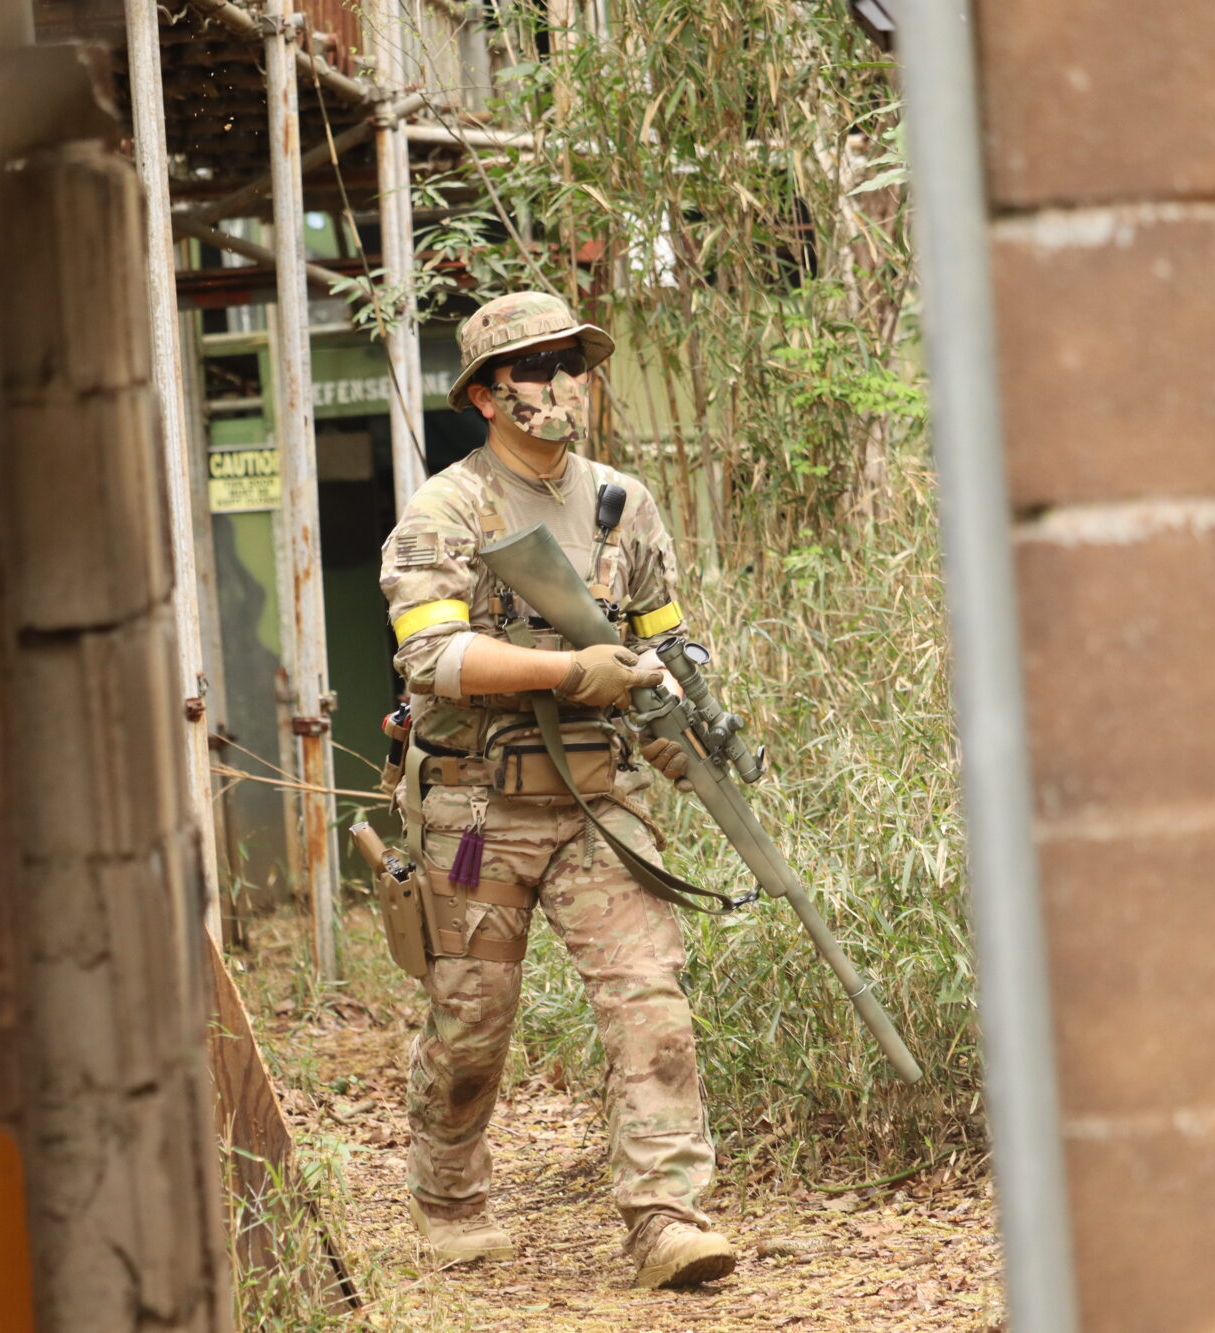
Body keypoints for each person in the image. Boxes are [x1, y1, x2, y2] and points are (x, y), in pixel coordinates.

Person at [377, 291, 736, 1289]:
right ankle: (451, 1197)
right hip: (472, 812)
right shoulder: (447, 509)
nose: (560, 384)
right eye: (535, 367)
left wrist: (682, 711)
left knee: (649, 1003)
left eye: (571, 363)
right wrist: (573, 671)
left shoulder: (623, 502)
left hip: (598, 801)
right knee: (470, 1026)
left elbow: (662, 636)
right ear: (486, 396)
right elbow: (434, 658)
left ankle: (666, 1218)